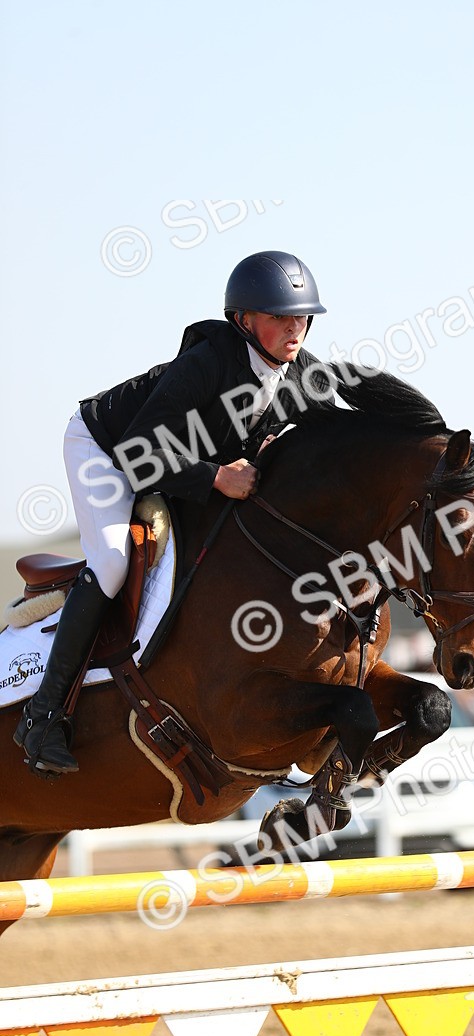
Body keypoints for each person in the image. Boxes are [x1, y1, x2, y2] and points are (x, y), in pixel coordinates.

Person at [15, 250, 330, 779]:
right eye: (279, 317)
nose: (294, 329)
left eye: (301, 318)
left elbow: (337, 425)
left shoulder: (299, 371)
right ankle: (43, 716)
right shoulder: (207, 364)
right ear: (243, 320)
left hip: (170, 460)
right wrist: (214, 478)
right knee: (114, 561)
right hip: (107, 449)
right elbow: (138, 454)